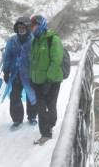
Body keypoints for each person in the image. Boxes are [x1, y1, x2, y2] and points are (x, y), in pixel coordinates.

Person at [30, 14, 64, 145]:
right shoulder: (35, 41)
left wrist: (49, 80)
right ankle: (45, 133)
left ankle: (50, 126)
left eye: (34, 26)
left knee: (50, 105)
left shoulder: (53, 39)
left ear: (41, 25)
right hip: (38, 81)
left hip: (52, 80)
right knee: (40, 107)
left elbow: (56, 61)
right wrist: (32, 77)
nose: (32, 29)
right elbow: (33, 62)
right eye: (31, 27)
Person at [2, 17, 37, 129]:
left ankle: (32, 117)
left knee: (31, 94)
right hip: (16, 73)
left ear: (27, 28)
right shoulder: (12, 41)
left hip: (30, 73)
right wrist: (6, 71)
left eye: (23, 27)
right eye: (19, 27)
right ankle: (17, 119)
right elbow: (7, 56)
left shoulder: (34, 40)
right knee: (14, 96)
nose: (21, 29)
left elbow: (38, 58)